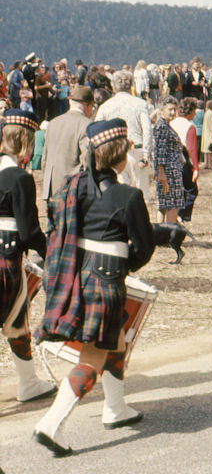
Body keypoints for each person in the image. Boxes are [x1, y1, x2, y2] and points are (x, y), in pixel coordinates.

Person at [34, 118, 155, 456]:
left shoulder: (75, 188)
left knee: (114, 341)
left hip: (79, 275)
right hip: (107, 281)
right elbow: (142, 247)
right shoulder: (129, 195)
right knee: (93, 356)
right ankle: (50, 425)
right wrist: (123, 266)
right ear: (121, 154)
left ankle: (116, 409)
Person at [0, 110, 56, 404]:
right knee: (15, 320)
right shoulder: (20, 178)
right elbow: (29, 231)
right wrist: (52, 254)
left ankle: (29, 382)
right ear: (24, 140)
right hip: (6, 258)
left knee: (16, 319)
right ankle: (28, 383)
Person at [94, 70, 154, 202]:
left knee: (119, 195)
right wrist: (146, 154)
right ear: (131, 84)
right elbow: (147, 130)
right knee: (141, 195)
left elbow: (96, 129)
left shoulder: (105, 106)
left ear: (113, 85)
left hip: (114, 153)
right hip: (137, 151)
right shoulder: (140, 104)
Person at [41, 86, 94, 201]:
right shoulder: (87, 125)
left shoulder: (53, 122)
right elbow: (87, 160)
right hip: (71, 189)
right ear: (88, 105)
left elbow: (44, 157)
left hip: (51, 187)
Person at [152, 96, 184, 224]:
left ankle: (161, 233)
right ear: (161, 110)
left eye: (175, 109)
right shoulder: (162, 127)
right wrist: (161, 173)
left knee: (164, 203)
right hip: (168, 171)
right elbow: (159, 151)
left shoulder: (165, 125)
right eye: (170, 109)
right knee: (172, 203)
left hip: (169, 170)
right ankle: (170, 233)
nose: (173, 112)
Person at [170, 98, 200, 226]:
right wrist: (196, 168)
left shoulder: (171, 123)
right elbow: (192, 148)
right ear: (191, 111)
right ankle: (182, 215)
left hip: (171, 159)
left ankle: (175, 215)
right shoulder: (190, 126)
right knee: (191, 190)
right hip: (183, 160)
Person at [201, 99, 212, 169]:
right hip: (210, 134)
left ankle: (206, 163)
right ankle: (209, 164)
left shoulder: (206, 113)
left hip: (206, 133)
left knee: (206, 150)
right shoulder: (211, 114)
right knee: (210, 150)